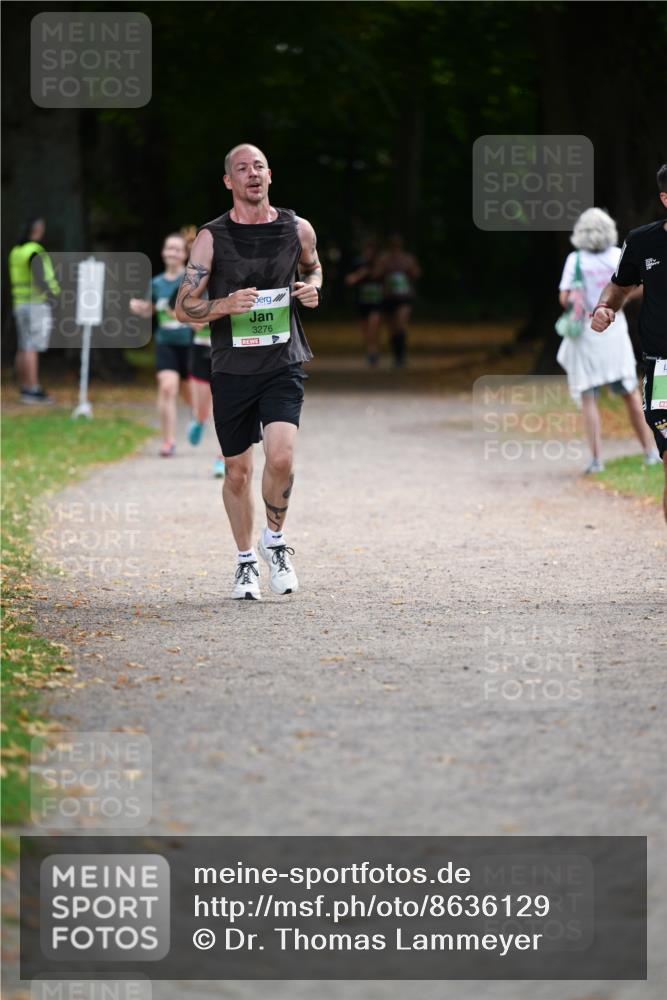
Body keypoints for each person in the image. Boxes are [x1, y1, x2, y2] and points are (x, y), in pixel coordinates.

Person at [175, 142, 322, 600]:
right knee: (237, 471)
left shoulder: (297, 228)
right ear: (229, 181)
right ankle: (244, 563)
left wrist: (312, 289)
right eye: (242, 168)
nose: (252, 174)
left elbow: (315, 270)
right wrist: (224, 304)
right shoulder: (211, 238)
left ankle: (275, 543)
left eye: (258, 166)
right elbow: (183, 308)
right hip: (233, 369)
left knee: (281, 458)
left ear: (270, 174)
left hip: (283, 361)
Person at [557, 207, 659, 474]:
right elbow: (643, 283)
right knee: (630, 392)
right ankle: (649, 451)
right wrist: (618, 302)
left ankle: (596, 459)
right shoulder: (617, 255)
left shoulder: (575, 260)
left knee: (588, 396)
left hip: (586, 333)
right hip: (615, 333)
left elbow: (564, 298)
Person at [591, 165, 667, 521]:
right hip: (662, 368)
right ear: (665, 198)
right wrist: (605, 307)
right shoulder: (643, 241)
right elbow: (621, 285)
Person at [130, 233, 193, 457]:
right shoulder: (155, 283)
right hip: (166, 343)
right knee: (167, 388)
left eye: (177, 249)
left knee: (191, 397)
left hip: (191, 344)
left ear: (185, 254)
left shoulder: (193, 280)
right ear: (163, 252)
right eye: (169, 248)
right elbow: (150, 309)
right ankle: (168, 440)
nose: (172, 253)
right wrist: (140, 308)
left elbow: (204, 310)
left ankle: (199, 420)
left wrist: (182, 314)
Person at [175, 224, 225, 478]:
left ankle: (221, 458)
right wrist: (194, 319)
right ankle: (197, 419)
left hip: (222, 352)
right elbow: (180, 312)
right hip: (199, 349)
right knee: (202, 408)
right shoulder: (189, 282)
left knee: (223, 410)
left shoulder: (224, 278)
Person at [8, 217, 60, 403]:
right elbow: (39, 275)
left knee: (23, 346)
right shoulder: (33, 251)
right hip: (35, 303)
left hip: (20, 302)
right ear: (37, 229)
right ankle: (33, 388)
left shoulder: (16, 251)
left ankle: (24, 386)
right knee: (32, 346)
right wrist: (51, 295)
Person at [373, 233, 421, 367]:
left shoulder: (407, 258)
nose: (395, 247)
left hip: (404, 297)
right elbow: (375, 274)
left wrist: (409, 271)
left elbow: (416, 273)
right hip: (388, 297)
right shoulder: (384, 259)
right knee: (392, 328)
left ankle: (401, 355)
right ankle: (397, 356)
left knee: (400, 325)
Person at [345, 237, 384, 366]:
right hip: (362, 301)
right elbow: (349, 280)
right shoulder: (358, 264)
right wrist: (361, 274)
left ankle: (374, 350)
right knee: (366, 329)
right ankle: (370, 350)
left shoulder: (381, 264)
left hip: (377, 302)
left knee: (374, 325)